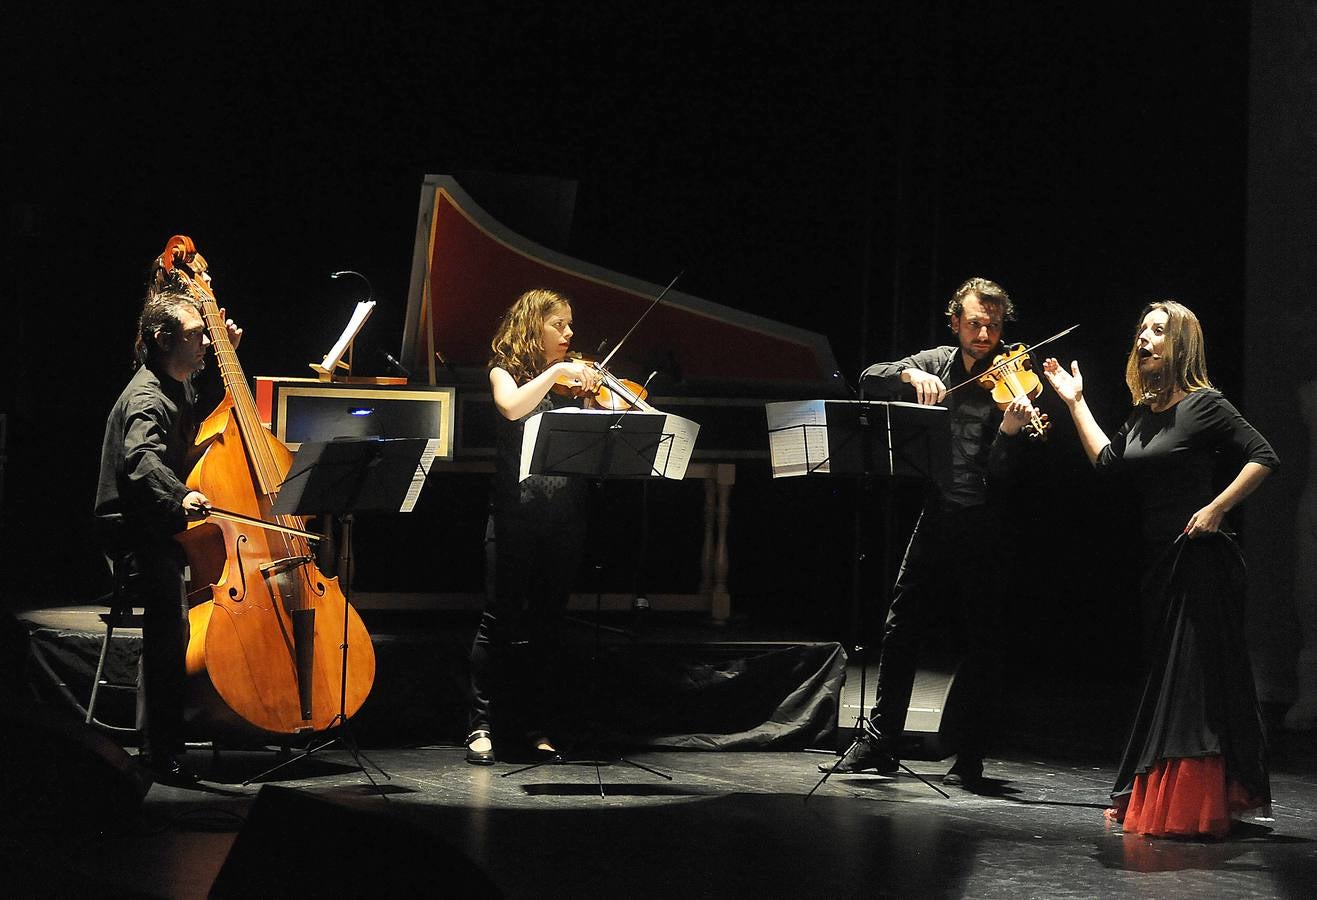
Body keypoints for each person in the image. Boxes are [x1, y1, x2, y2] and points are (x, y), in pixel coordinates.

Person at [1042, 300, 1277, 839]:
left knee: (1190, 687)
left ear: (1181, 344)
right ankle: (1186, 794)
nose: (1144, 338)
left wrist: (1217, 508)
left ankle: (1190, 802)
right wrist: (1075, 402)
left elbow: (1264, 455)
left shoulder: (1205, 404)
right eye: (1141, 330)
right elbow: (1107, 462)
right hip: (1160, 563)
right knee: (1170, 683)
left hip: (1201, 562)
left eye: (1157, 331)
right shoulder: (1143, 413)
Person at [822, 277, 1038, 789]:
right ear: (956, 323)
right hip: (938, 512)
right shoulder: (940, 360)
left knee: (983, 636)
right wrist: (910, 376)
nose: (984, 333)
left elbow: (1007, 478)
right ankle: (881, 740)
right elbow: (868, 377)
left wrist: (1009, 433)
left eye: (993, 324)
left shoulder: (1018, 377)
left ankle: (972, 751)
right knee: (901, 627)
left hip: (988, 521)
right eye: (974, 323)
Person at [93, 288, 242, 781]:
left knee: (178, 614)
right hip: (134, 531)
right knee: (170, 622)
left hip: (160, 523)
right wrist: (180, 495)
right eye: (196, 335)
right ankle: (161, 751)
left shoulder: (175, 384)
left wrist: (228, 359)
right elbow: (140, 460)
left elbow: (194, 427)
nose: (205, 343)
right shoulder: (144, 397)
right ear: (162, 339)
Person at [465, 288, 603, 765]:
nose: (569, 334)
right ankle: (481, 726)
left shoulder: (569, 384)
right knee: (498, 619)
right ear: (533, 327)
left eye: (569, 325)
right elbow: (512, 407)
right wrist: (557, 373)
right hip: (514, 515)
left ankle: (537, 726)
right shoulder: (505, 373)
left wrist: (598, 402)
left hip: (565, 517)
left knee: (548, 624)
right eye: (559, 325)